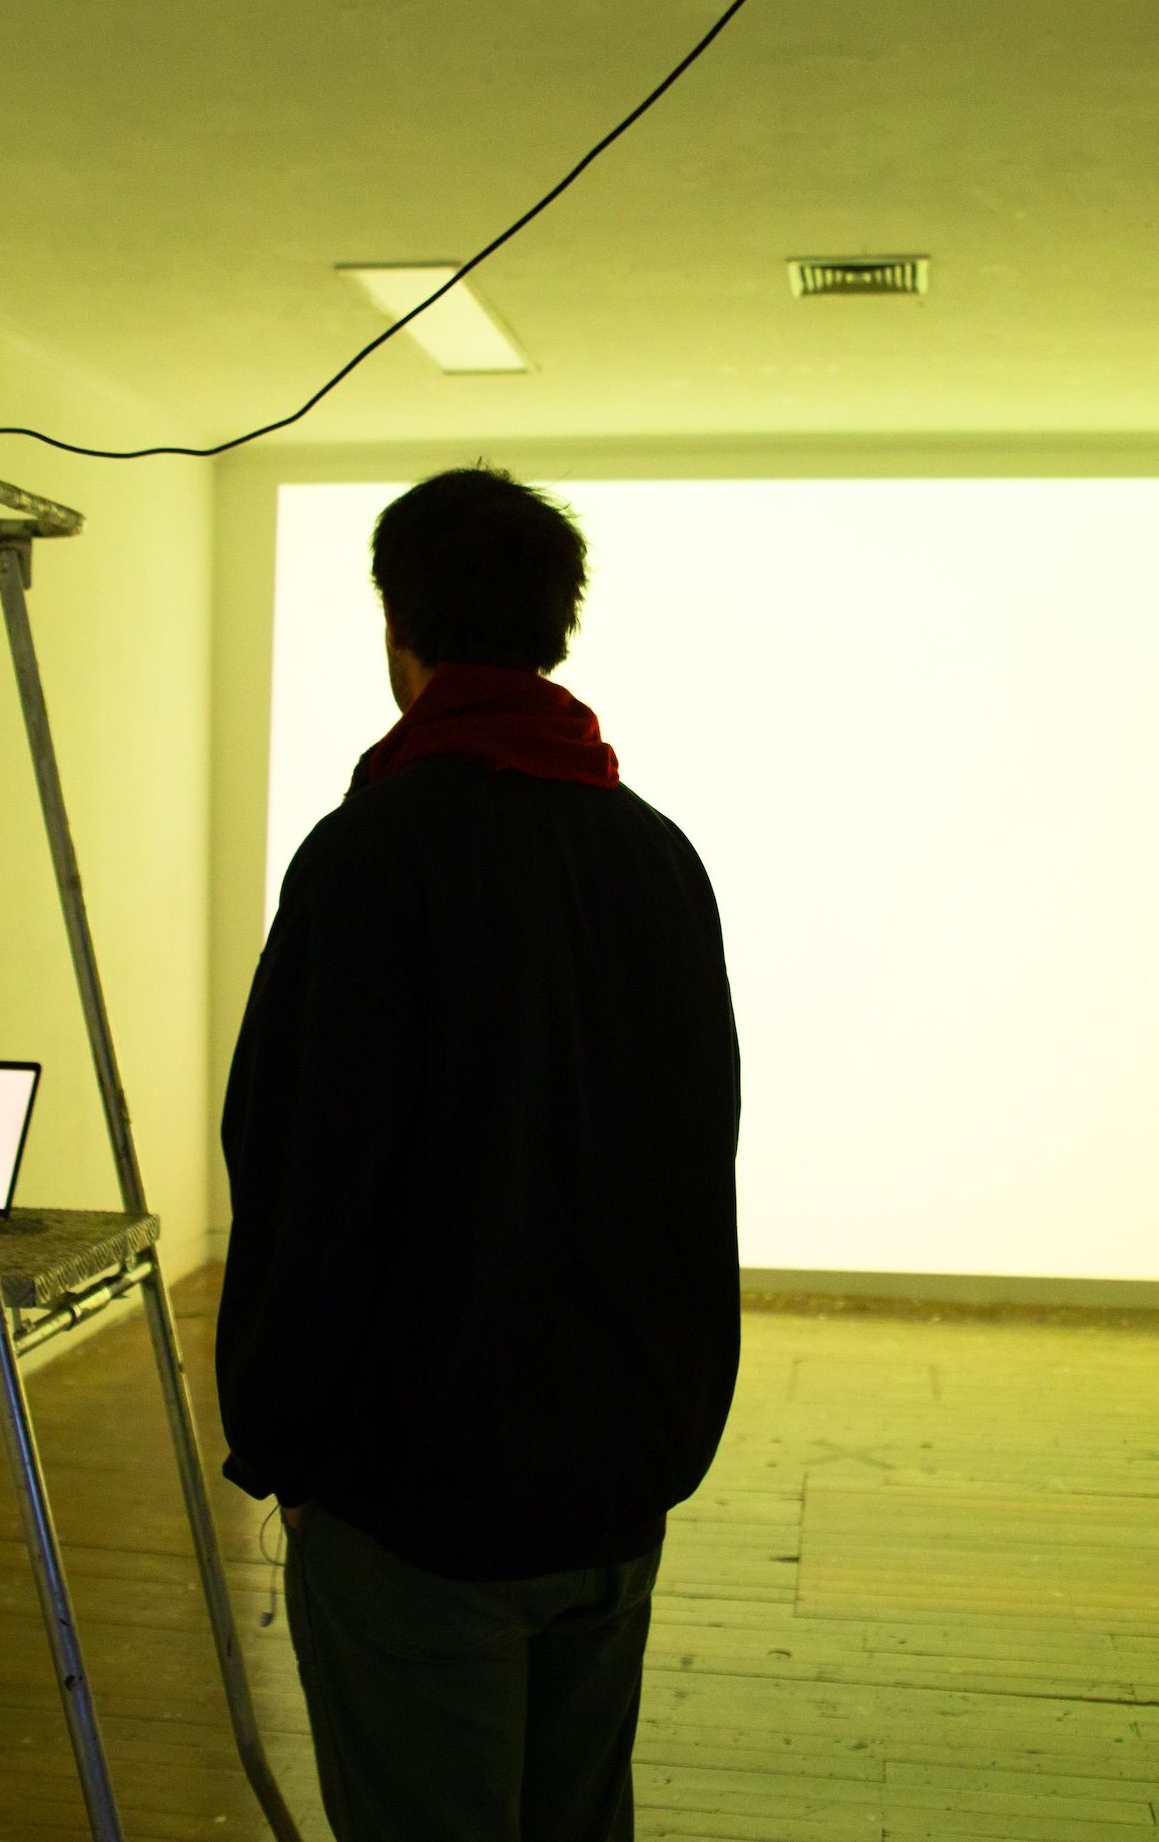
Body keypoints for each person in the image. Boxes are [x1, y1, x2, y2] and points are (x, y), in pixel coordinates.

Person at [217, 466, 742, 1842]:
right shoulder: (655, 859)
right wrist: (668, 1432)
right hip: (613, 1492)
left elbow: (297, 1167)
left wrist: (278, 1432)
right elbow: (696, 1160)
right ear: (555, 631)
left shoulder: (371, 858)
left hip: (419, 1503)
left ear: (402, 634)